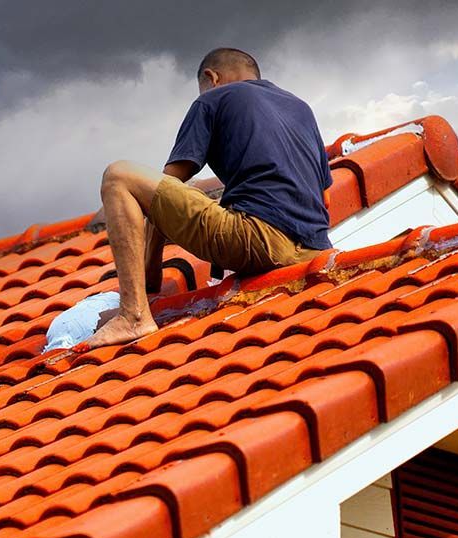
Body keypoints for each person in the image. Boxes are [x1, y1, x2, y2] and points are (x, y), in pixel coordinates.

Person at [83, 47, 333, 348]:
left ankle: (133, 316)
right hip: (315, 249)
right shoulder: (300, 107)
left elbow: (166, 186)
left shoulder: (212, 99)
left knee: (119, 177)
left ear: (211, 77)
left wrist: (150, 280)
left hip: (257, 239)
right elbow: (325, 198)